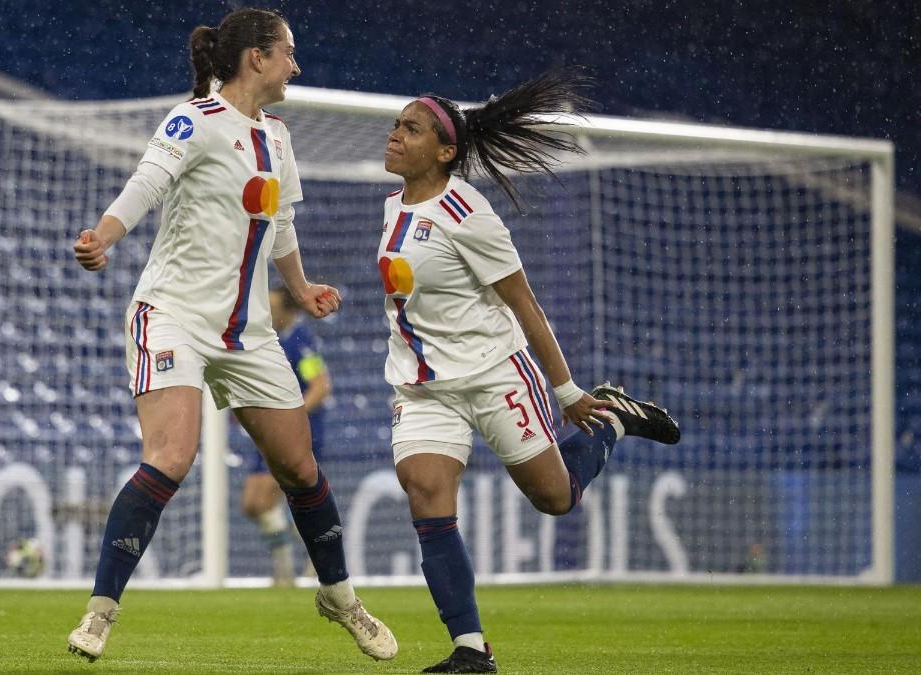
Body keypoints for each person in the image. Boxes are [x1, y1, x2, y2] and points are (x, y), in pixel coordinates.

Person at [67, 8, 396, 664]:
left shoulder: (277, 137)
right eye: (288, 54)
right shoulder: (195, 119)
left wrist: (300, 290)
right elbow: (148, 183)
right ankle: (99, 612)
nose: (296, 67)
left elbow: (281, 223)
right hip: (174, 314)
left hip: (248, 331)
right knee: (172, 454)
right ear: (256, 59)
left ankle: (340, 597)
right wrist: (104, 234)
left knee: (300, 467)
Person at [377, 71, 680, 673]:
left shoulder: (467, 211)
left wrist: (566, 389)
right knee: (424, 490)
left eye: (411, 129)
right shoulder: (393, 206)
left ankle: (610, 419)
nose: (395, 135)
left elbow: (525, 304)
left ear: (445, 152)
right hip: (425, 385)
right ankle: (470, 648)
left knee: (555, 498)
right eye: (396, 125)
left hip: (494, 373)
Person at [240, 286, 331, 587]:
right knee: (252, 504)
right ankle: (310, 546)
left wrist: (291, 416)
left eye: (273, 306)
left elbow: (320, 386)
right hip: (270, 430)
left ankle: (286, 571)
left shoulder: (301, 340)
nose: (268, 311)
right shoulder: (272, 339)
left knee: (265, 498)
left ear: (288, 310)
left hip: (295, 432)